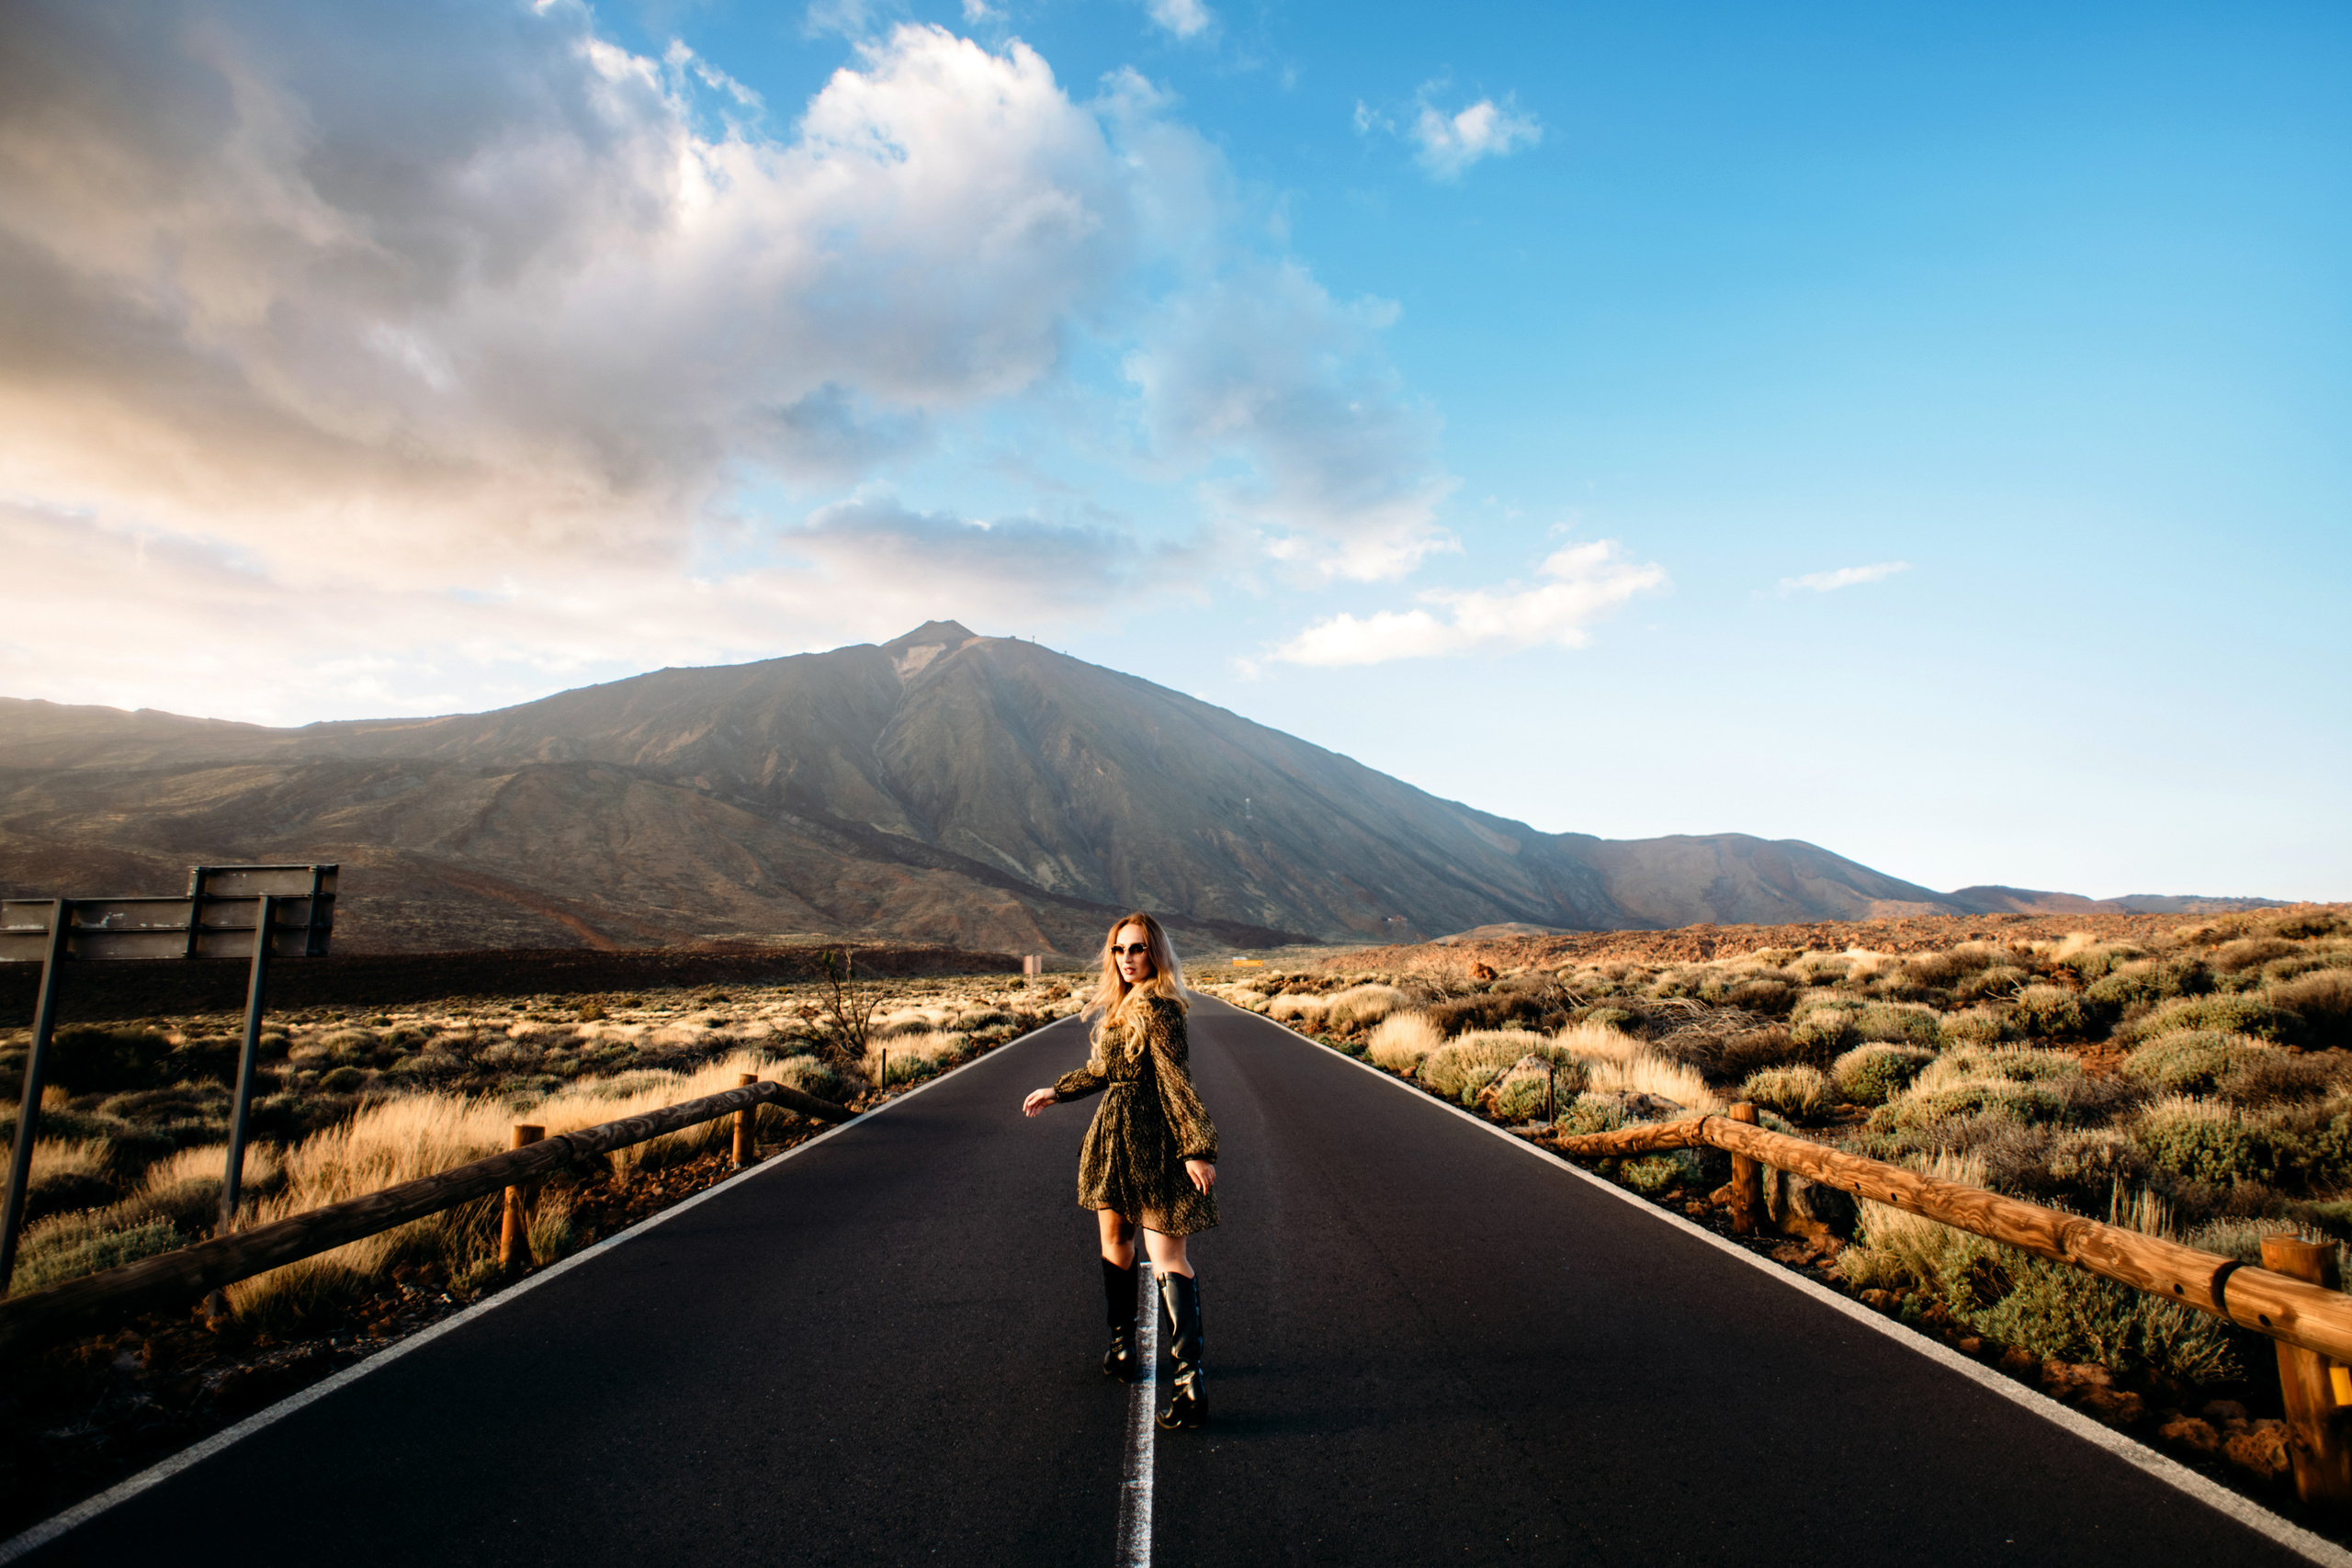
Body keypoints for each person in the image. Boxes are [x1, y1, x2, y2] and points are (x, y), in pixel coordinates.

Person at [1023, 912, 1218, 1429]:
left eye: (1137, 948)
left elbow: (1178, 1080)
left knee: (1168, 1253)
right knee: (1115, 1242)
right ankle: (1124, 1347)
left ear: (1156, 953)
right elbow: (1104, 1071)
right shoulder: (1124, 1005)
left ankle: (1188, 1380)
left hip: (1153, 1140)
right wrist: (1057, 1090)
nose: (1127, 958)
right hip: (1112, 1137)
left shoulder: (1160, 1007)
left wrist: (1196, 1148)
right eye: (1118, 949)